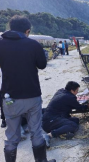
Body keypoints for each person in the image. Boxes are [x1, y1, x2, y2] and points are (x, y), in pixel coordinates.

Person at [0, 15, 55, 162]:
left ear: (9, 28)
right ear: (27, 31)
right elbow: (42, 65)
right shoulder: (33, 45)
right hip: (32, 96)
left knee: (11, 136)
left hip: (9, 97)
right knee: (36, 132)